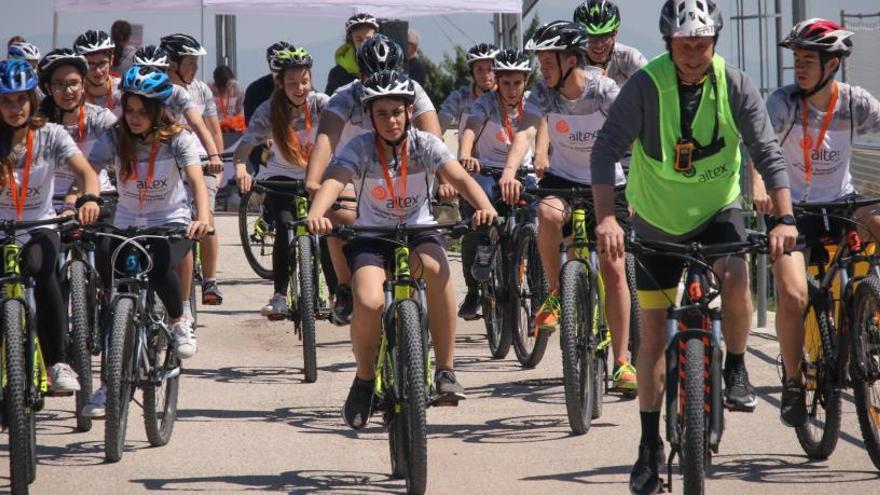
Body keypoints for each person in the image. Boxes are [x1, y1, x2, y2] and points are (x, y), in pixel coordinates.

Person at [587, 2, 801, 493]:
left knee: (738, 278)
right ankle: (647, 447)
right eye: (684, 45)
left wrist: (784, 216)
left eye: (701, 44)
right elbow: (604, 151)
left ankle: (737, 366)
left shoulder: (736, 84)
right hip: (657, 221)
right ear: (668, 42)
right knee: (653, 333)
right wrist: (605, 219)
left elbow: (767, 151)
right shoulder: (645, 85)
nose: (692, 54)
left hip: (716, 211)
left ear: (714, 42)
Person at [306, 69, 497, 429]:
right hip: (372, 236)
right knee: (368, 301)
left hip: (418, 230)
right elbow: (335, 181)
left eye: (397, 111)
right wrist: (317, 213)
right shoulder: (360, 147)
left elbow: (459, 176)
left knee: (439, 271)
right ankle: (364, 381)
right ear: (370, 116)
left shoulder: (426, 144)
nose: (391, 120)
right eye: (381, 113)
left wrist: (485, 206)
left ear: (409, 111)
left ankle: (445, 370)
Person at [753, 18, 880, 429]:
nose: (799, 68)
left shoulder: (855, 102)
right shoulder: (783, 102)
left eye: (808, 60)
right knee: (792, 295)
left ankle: (869, 305)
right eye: (797, 60)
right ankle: (793, 380)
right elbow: (758, 147)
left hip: (841, 202)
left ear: (832, 65)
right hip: (794, 208)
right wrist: (759, 187)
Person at [498, 20, 637, 393]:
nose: (542, 68)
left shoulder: (605, 91)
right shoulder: (543, 94)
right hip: (562, 179)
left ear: (571, 60)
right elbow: (526, 132)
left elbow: (639, 140)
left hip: (608, 183)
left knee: (613, 266)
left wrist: (639, 190)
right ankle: (559, 292)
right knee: (546, 213)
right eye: (541, 60)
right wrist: (510, 172)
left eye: (548, 60)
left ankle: (622, 361)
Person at [305, 34, 443, 326]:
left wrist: (444, 179)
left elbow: (433, 137)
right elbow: (326, 139)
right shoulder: (345, 96)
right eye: (371, 75)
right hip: (354, 170)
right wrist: (314, 180)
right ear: (359, 74)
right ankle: (345, 286)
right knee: (340, 214)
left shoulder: (412, 90)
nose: (380, 81)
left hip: (401, 171)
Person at [0, 59, 101, 395]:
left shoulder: (50, 135)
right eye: (7, 101)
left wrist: (89, 199)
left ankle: (57, 362)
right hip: (1, 229)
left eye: (21, 100)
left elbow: (86, 172)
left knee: (43, 271)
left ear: (32, 99)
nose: (15, 108)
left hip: (38, 225)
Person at [232, 47, 331, 319]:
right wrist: (241, 168)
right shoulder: (268, 110)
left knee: (327, 229)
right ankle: (279, 295)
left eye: (304, 81)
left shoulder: (322, 103)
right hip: (280, 176)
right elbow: (244, 148)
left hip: (317, 175)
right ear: (279, 83)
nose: (300, 88)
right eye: (292, 83)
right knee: (286, 225)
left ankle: (338, 295)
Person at [456, 48, 535, 320]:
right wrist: (466, 155)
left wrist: (545, 159)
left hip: (524, 172)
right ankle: (474, 290)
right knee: (477, 209)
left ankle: (541, 287)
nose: (512, 90)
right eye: (505, 83)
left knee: (541, 218)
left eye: (517, 83)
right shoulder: (485, 103)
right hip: (489, 170)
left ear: (526, 81)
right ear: (497, 81)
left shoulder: (533, 102)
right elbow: (470, 130)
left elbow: (546, 134)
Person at [160, 33, 225, 308]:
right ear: (172, 64)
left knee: (206, 218)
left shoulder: (201, 90)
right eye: (190, 62)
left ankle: (210, 280)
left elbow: (211, 127)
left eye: (196, 62)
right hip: (167, 163)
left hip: (200, 160)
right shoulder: (157, 88)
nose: (195, 68)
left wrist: (216, 160)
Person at [36, 48, 118, 208]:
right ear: (48, 88)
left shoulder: (101, 119)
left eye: (73, 83)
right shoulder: (38, 124)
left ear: (83, 84)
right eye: (59, 84)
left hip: (96, 201)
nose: (68, 91)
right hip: (50, 206)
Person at [573, 0, 647, 87]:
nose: (599, 44)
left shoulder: (631, 59)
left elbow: (650, 92)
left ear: (615, 33)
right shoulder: (570, 60)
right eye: (591, 36)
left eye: (604, 36)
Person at [438, 43, 499, 136]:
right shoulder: (460, 97)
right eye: (479, 70)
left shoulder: (506, 97)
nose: (486, 75)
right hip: (466, 150)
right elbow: (440, 123)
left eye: (490, 69)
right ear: (472, 73)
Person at [325, 13, 379, 96]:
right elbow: (329, 105)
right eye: (359, 40)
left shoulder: (387, 67)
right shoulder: (337, 73)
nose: (364, 44)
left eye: (368, 39)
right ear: (351, 41)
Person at [73, 30, 122, 115]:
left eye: (102, 63)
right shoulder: (74, 95)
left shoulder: (122, 90)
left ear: (111, 61)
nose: (98, 71)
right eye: (91, 65)